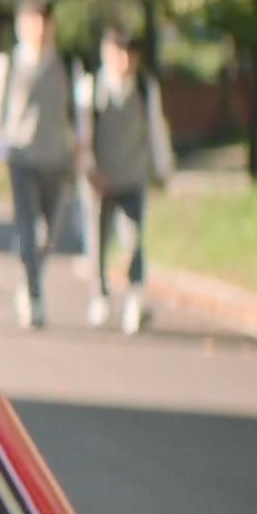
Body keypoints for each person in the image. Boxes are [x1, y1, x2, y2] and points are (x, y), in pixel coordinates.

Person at [0, 0, 79, 329]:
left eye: (43, 22)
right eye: (31, 21)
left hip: (57, 159)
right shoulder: (6, 64)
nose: (38, 29)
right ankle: (34, 296)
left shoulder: (68, 65)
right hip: (21, 158)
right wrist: (1, 148)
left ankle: (30, 276)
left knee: (48, 233)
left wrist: (79, 149)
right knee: (26, 226)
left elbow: (77, 114)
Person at [77, 26, 175, 334]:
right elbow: (83, 134)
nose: (124, 61)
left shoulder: (145, 89)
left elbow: (156, 129)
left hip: (132, 175)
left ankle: (135, 297)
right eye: (117, 53)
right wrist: (88, 169)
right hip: (99, 178)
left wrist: (163, 167)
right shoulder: (91, 87)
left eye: (129, 54)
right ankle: (100, 296)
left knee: (133, 240)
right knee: (98, 241)